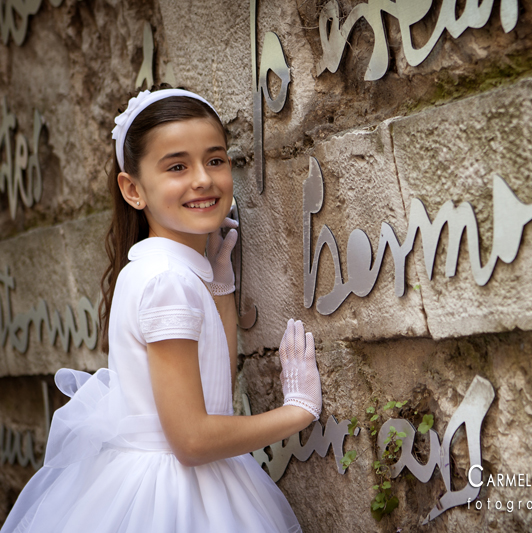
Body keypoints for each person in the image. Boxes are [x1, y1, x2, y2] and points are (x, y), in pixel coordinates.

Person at [0, 88, 321, 532]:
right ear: (133, 189)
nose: (203, 179)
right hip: (175, 494)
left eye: (215, 160)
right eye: (176, 166)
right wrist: (297, 411)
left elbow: (214, 390)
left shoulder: (159, 268)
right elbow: (191, 439)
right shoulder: (166, 280)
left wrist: (219, 284)